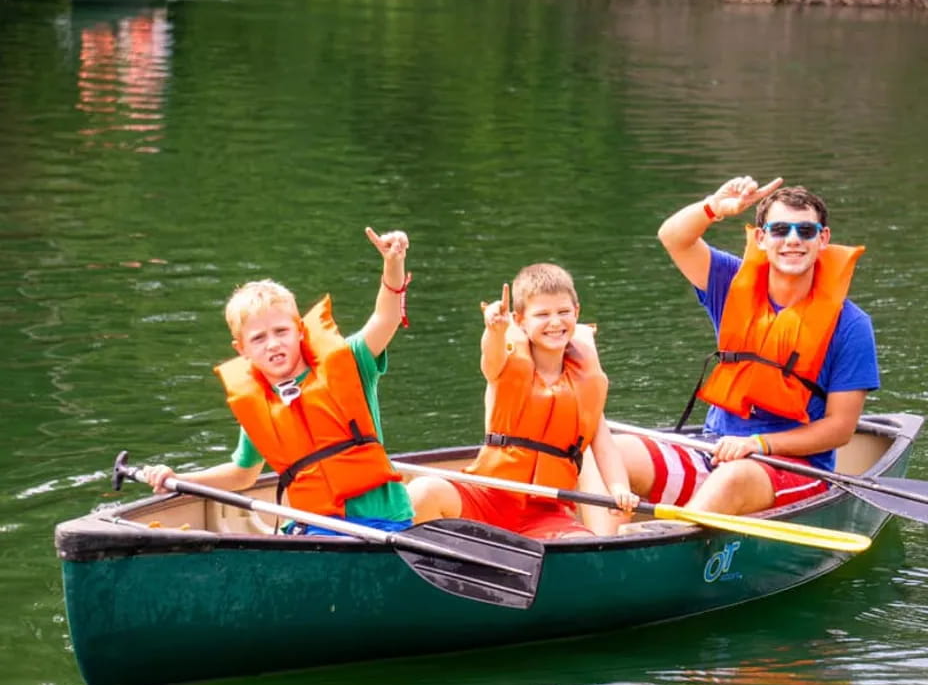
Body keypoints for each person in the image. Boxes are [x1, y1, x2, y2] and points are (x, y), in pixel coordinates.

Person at [612, 175, 879, 517]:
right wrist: (715, 207)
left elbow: (840, 429)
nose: (793, 240)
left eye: (806, 231)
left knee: (733, 478)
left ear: (823, 239)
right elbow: (673, 237)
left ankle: (663, 542)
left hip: (795, 468)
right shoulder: (730, 282)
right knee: (615, 453)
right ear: (762, 237)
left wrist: (759, 444)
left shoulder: (852, 325)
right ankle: (602, 544)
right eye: (780, 230)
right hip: (713, 450)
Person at [138, 227, 415, 535]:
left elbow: (385, 318)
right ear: (241, 350)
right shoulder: (260, 406)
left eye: (281, 331)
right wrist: (179, 479)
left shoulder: (349, 360)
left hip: (383, 521)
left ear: (299, 330)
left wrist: (393, 263)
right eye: (259, 338)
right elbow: (243, 474)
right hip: (316, 526)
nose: (273, 344)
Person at [405, 263, 638, 539]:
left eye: (563, 312)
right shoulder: (505, 366)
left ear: (577, 313)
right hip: (487, 495)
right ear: (520, 320)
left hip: (547, 512)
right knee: (422, 492)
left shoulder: (587, 383)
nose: (555, 322)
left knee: (581, 544)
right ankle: (452, 568)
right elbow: (490, 359)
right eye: (542, 314)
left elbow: (604, 445)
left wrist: (619, 488)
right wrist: (494, 330)